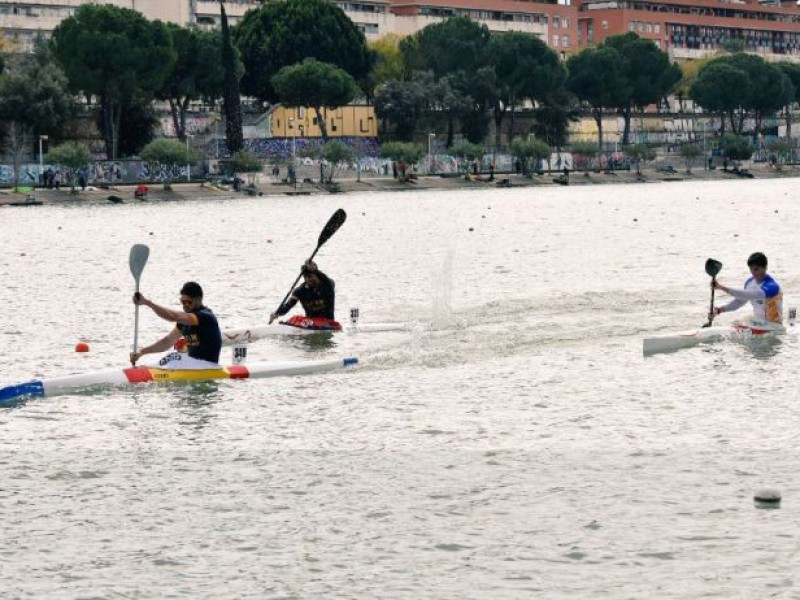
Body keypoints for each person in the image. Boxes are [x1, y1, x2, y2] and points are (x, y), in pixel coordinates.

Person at [130, 281, 222, 366]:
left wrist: (147, 303)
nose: (185, 305)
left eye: (188, 302)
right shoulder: (184, 322)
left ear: (198, 300)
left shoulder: (204, 316)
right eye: (182, 302)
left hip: (208, 366)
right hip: (192, 365)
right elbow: (167, 342)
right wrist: (141, 352)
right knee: (172, 356)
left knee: (173, 357)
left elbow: (173, 317)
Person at [710, 252, 783, 325]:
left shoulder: (772, 286)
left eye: (756, 269)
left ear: (765, 267)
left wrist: (721, 287)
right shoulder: (749, 283)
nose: (753, 272)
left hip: (774, 326)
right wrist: (720, 310)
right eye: (751, 269)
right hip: (758, 324)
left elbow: (748, 295)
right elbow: (740, 301)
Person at [269, 260, 336, 326]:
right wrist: (277, 313)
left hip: (328, 323)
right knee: (295, 318)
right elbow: (288, 305)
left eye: (310, 276)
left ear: (317, 275)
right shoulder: (300, 291)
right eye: (305, 277)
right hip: (310, 323)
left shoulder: (328, 285)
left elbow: (326, 280)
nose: (308, 280)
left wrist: (315, 270)